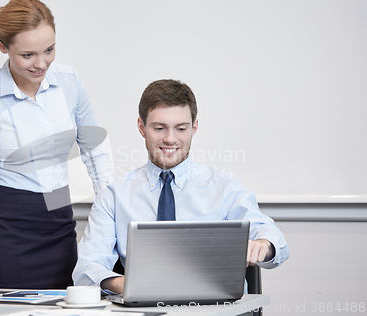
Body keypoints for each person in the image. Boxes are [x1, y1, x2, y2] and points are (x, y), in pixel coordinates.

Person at [72, 79, 289, 293]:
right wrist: (126, 285)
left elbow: (275, 241)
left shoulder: (225, 186)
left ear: (194, 127)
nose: (170, 139)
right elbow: (86, 269)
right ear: (141, 127)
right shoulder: (114, 194)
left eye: (181, 128)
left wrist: (264, 244)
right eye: (159, 128)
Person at [0, 0, 114, 293]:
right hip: (11, 225)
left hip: (59, 217)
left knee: (66, 306)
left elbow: (94, 150)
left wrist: (112, 213)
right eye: (28, 54)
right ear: (3, 47)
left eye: (49, 50)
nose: (41, 63)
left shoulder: (70, 81)